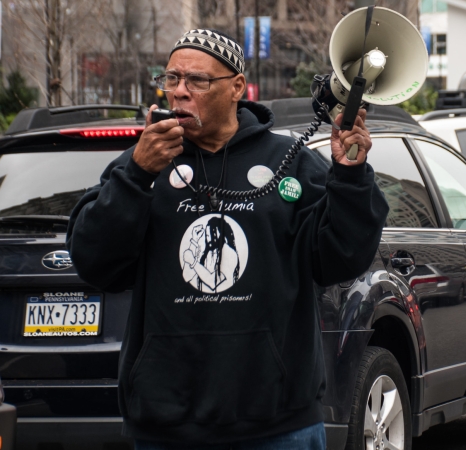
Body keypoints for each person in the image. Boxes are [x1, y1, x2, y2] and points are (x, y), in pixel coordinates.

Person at [67, 29, 388, 449]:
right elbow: (94, 263)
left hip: (278, 424)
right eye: (171, 79)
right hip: (166, 425)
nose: (179, 92)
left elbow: (342, 257)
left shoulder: (287, 163)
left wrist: (348, 175)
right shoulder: (145, 163)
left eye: (197, 80)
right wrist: (136, 176)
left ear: (237, 87)